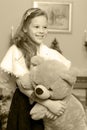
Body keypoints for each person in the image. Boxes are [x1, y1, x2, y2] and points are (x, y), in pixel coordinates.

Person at [0, 8, 71, 130]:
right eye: (36, 27)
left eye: (44, 27)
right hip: (25, 105)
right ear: (25, 28)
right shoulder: (17, 50)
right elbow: (22, 86)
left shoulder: (50, 53)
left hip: (46, 110)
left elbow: (64, 81)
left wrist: (57, 105)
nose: (41, 31)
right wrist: (49, 104)